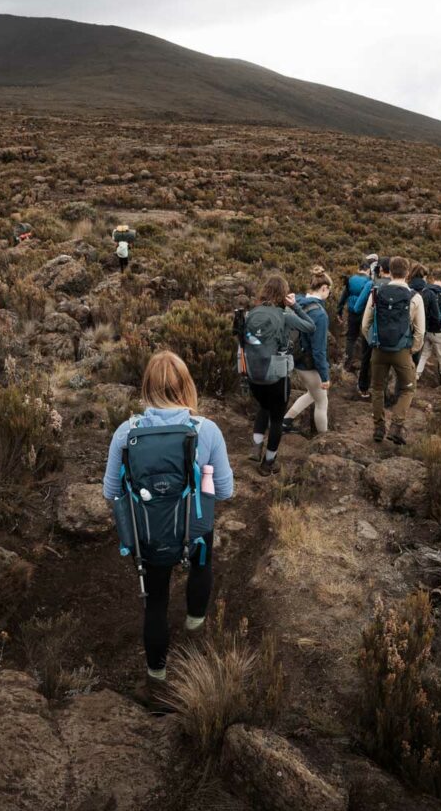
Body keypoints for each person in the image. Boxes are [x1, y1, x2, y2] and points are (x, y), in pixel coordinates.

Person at [101, 351, 234, 684]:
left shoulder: (125, 432)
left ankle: (156, 676)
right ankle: (194, 624)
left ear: (146, 386)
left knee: (156, 600)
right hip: (193, 530)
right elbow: (225, 491)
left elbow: (110, 492)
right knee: (203, 564)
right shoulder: (207, 430)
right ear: (186, 385)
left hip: (149, 535)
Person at [240, 274, 316, 476]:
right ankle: (268, 463)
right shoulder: (284, 316)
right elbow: (310, 326)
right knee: (276, 418)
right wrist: (296, 306)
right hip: (277, 376)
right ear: (283, 294)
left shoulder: (251, 314)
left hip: (253, 374)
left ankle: (256, 448)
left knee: (263, 407)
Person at [361, 256, 424, 445]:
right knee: (408, 387)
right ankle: (396, 426)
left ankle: (378, 428)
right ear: (407, 273)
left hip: (379, 349)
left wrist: (373, 341)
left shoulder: (376, 291)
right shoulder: (415, 297)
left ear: (388, 270)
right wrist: (412, 350)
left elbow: (365, 324)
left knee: (377, 388)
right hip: (402, 350)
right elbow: (420, 331)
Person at [283, 268, 332, 436]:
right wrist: (325, 376)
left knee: (312, 394)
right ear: (324, 288)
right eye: (329, 291)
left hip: (296, 359)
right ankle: (324, 439)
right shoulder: (319, 314)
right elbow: (318, 349)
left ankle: (286, 421)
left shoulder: (298, 302)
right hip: (309, 364)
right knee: (322, 402)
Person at [349, 256, 390, 399]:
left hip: (372, 328)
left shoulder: (371, 285)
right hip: (393, 332)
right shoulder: (403, 288)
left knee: (366, 357)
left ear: (380, 269)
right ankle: (386, 391)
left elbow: (357, 307)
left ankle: (364, 388)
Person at [335, 254, 378, 372]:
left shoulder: (351, 279)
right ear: (368, 270)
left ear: (359, 269)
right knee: (364, 337)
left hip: (352, 311)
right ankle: (363, 363)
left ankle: (347, 363)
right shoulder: (370, 281)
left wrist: (339, 311)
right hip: (365, 312)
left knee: (350, 338)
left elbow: (344, 296)